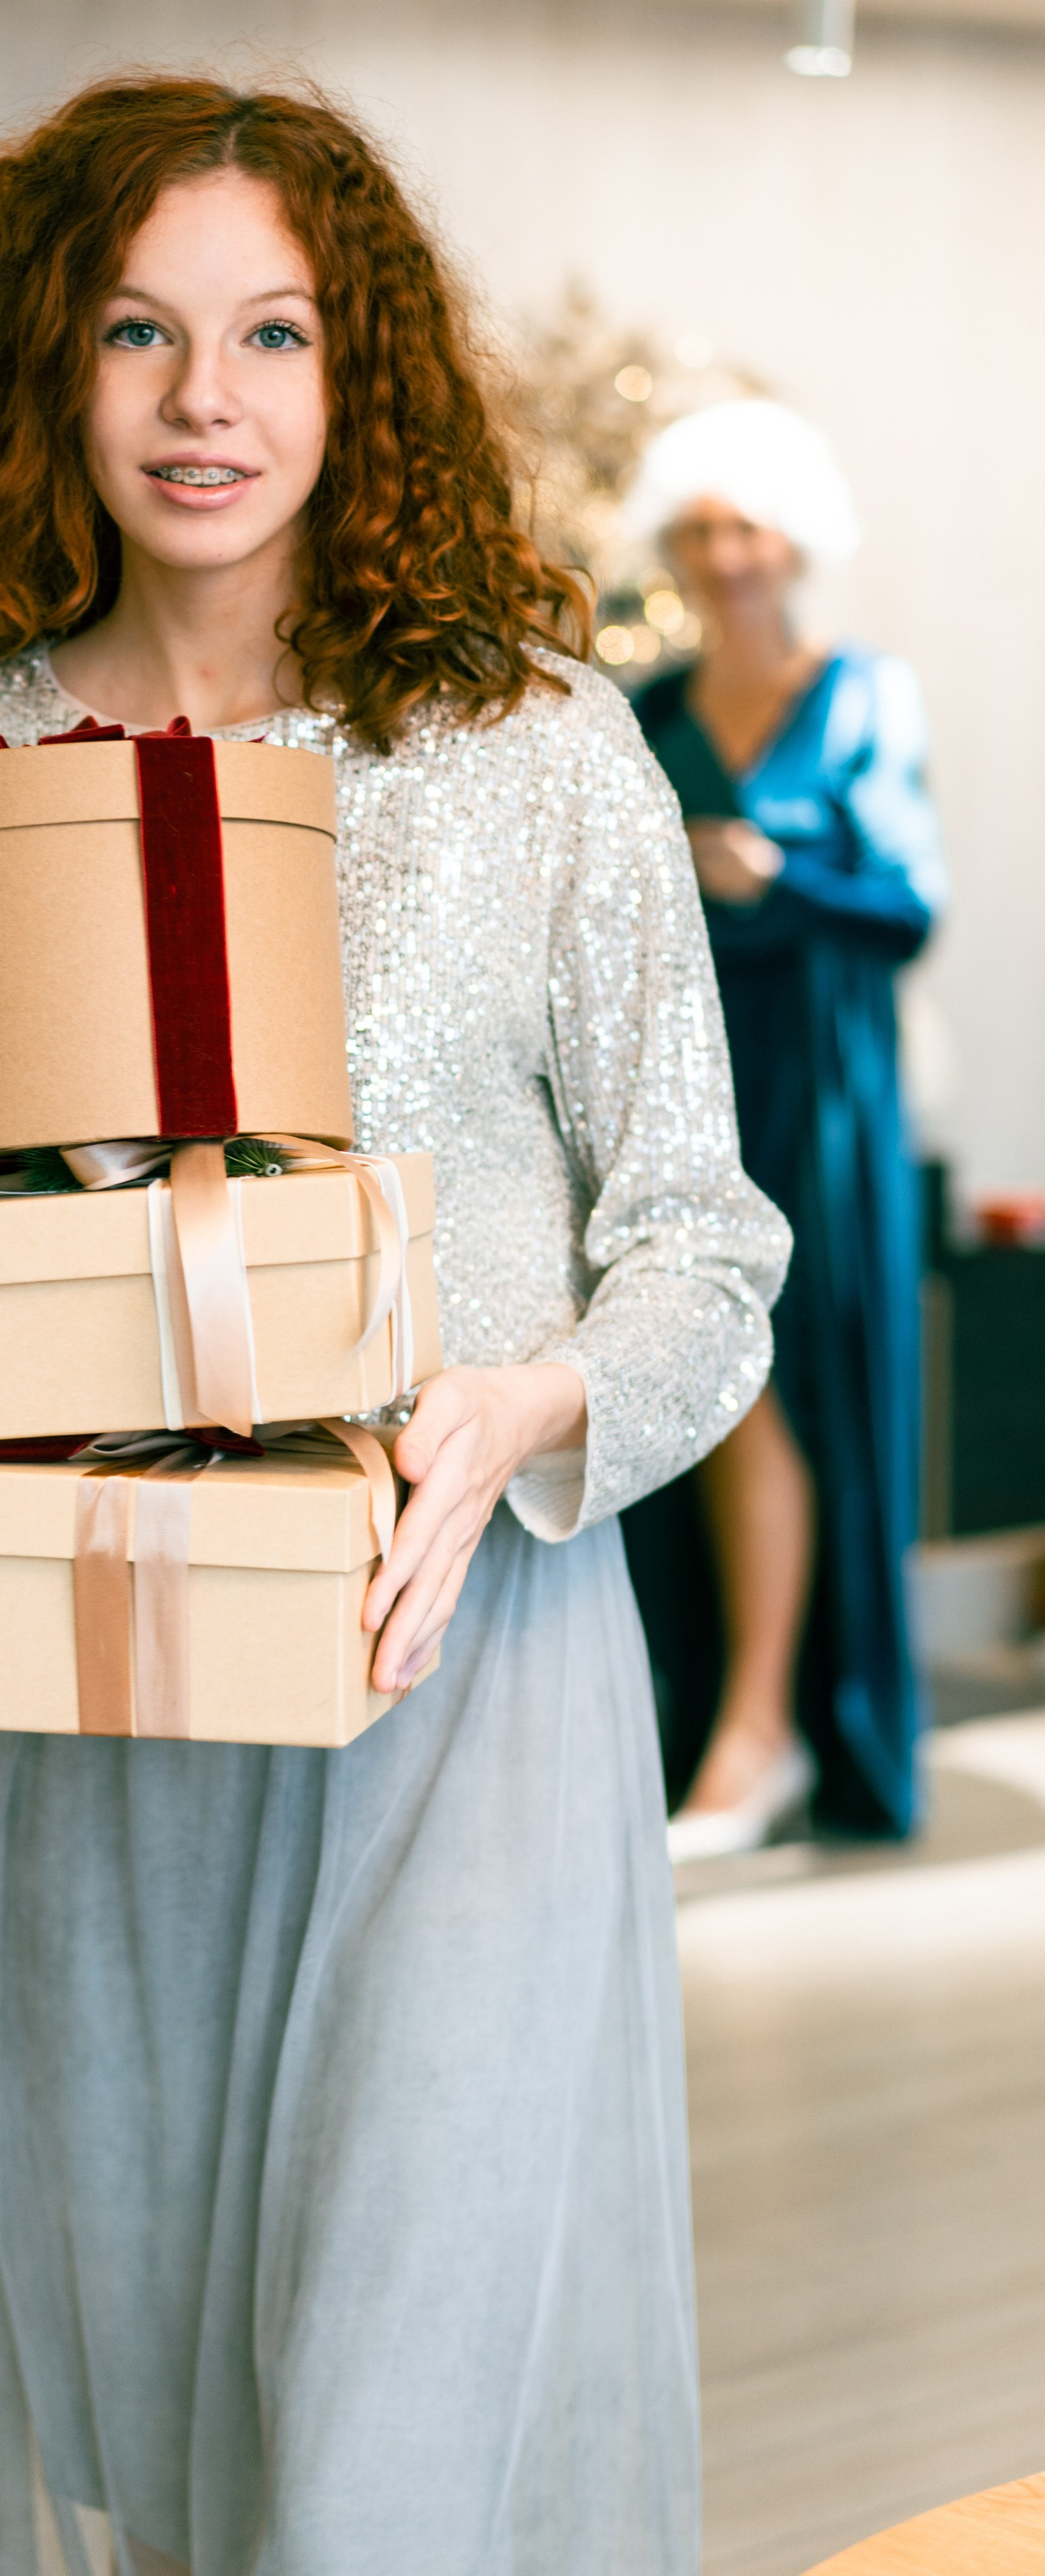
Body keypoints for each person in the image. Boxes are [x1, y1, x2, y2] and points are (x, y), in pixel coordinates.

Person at [0, 77, 788, 2575]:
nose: (205, 399)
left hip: (460, 1665)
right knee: (171, 2465)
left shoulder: (536, 745)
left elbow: (707, 1246)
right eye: (144, 331)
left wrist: (514, 1408)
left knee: (386, 2463)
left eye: (272, 334)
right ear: (52, 367)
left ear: (353, 375)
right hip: (122, 1722)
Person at [621, 401, 946, 1858]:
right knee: (705, 1382)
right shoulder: (644, 715)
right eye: (696, 530)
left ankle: (775, 1734)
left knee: (796, 1385)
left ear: (790, 538)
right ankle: (731, 1727)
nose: (720, 556)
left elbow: (906, 907)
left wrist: (773, 881)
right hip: (689, 1087)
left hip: (820, 1091)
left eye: (742, 527)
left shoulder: (864, 696)